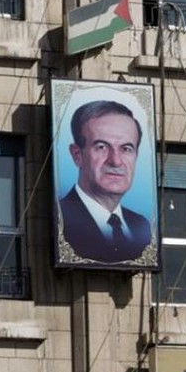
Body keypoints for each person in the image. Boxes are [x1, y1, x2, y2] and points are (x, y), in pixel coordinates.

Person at [59, 100, 152, 263]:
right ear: (77, 155)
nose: (115, 161)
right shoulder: (60, 218)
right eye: (102, 147)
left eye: (126, 149)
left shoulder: (141, 225)